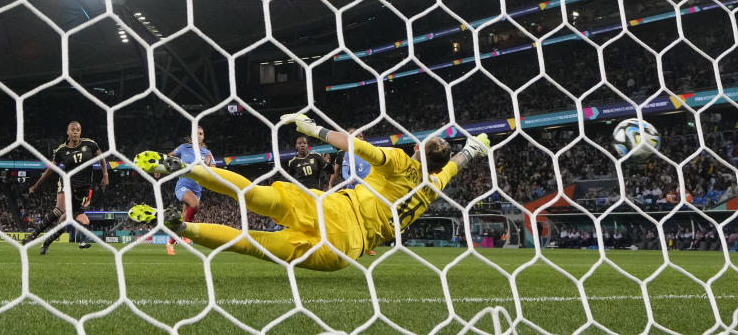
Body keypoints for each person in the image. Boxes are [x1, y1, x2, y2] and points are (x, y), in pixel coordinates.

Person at [127, 114, 490, 271]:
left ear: (417, 149)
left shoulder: (398, 159)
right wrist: (474, 148)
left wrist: (313, 129)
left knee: (255, 195)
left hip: (333, 210)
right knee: (251, 242)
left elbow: (356, 146)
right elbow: (456, 162)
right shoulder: (435, 184)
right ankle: (183, 228)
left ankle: (186, 169)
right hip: (346, 251)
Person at [23, 121, 108, 255]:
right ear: (68, 132)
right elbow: (50, 170)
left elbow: (102, 159)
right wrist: (36, 185)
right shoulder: (61, 150)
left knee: (64, 220)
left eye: (78, 129)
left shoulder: (90, 144)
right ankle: (32, 235)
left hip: (83, 189)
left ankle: (46, 243)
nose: (75, 132)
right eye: (73, 129)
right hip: (67, 182)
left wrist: (105, 175)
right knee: (59, 210)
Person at [165, 126, 214, 255]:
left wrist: (208, 164)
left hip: (197, 190)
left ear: (203, 137)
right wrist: (159, 169)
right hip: (182, 187)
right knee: (195, 205)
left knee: (183, 220)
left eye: (201, 134)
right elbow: (168, 157)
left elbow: (214, 172)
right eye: (196, 134)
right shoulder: (183, 148)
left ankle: (170, 243)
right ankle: (185, 235)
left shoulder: (207, 153)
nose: (198, 136)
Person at [328, 128, 376, 255]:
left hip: (368, 189)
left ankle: (367, 246)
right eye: (355, 136)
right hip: (353, 189)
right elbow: (340, 170)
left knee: (367, 218)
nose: (358, 138)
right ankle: (347, 243)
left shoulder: (369, 150)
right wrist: (333, 184)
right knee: (353, 217)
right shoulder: (345, 153)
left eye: (360, 136)